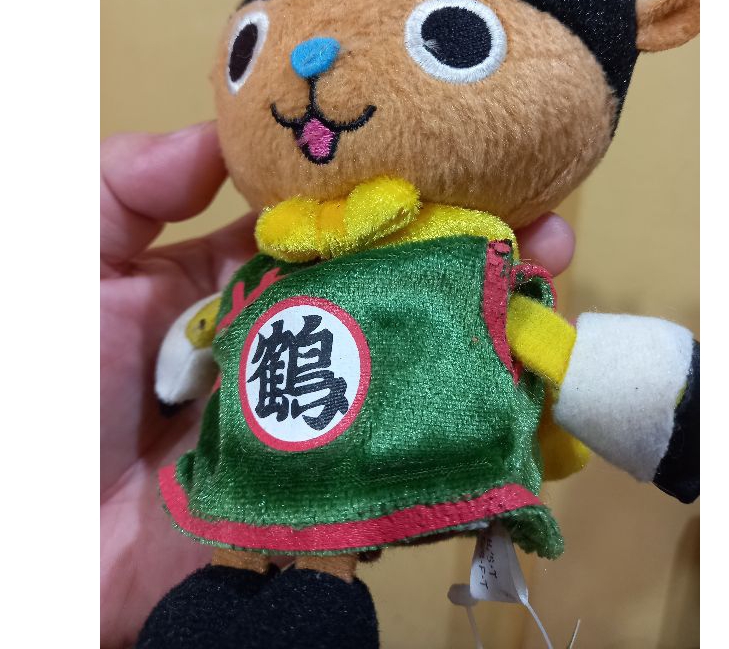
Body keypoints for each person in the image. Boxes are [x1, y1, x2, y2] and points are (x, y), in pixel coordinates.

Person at [99, 121, 576, 648]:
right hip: (245, 468)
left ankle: (318, 581)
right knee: (217, 593)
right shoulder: (267, 272)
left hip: (372, 463)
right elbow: (210, 323)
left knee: (318, 595)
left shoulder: (452, 268)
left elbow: (551, 349)